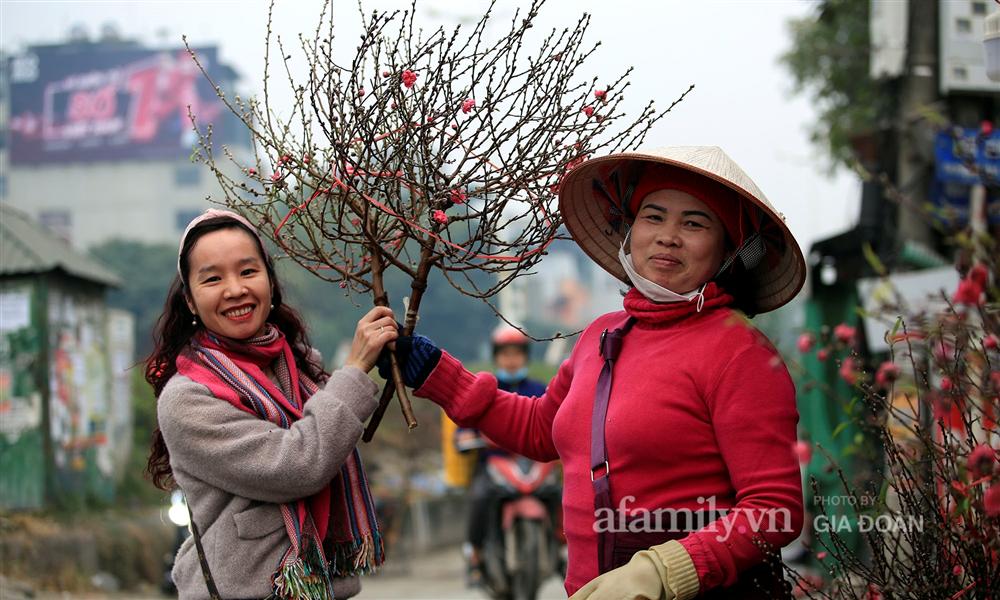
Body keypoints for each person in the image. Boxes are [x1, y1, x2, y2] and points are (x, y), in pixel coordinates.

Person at [379, 147, 806, 599]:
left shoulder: (740, 353)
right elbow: (541, 429)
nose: (668, 236)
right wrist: (436, 374)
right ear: (630, 229)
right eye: (653, 216)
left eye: (694, 223)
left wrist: (665, 570)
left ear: (728, 249)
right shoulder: (601, 335)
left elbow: (774, 509)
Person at [145, 209, 398, 600]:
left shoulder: (300, 367)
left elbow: (330, 435)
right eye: (213, 278)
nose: (235, 290)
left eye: (248, 271)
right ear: (191, 302)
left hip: (324, 588)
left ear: (270, 282)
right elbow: (297, 464)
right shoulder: (187, 398)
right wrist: (356, 369)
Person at [455, 326, 550, 585]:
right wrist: (467, 439)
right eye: (506, 354)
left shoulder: (541, 389)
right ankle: (474, 554)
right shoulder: (482, 390)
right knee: (479, 497)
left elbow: (556, 419)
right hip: (493, 465)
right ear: (496, 356)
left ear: (525, 357)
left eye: (517, 354)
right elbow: (463, 429)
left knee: (561, 495)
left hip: (534, 462)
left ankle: (567, 548)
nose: (511, 360)